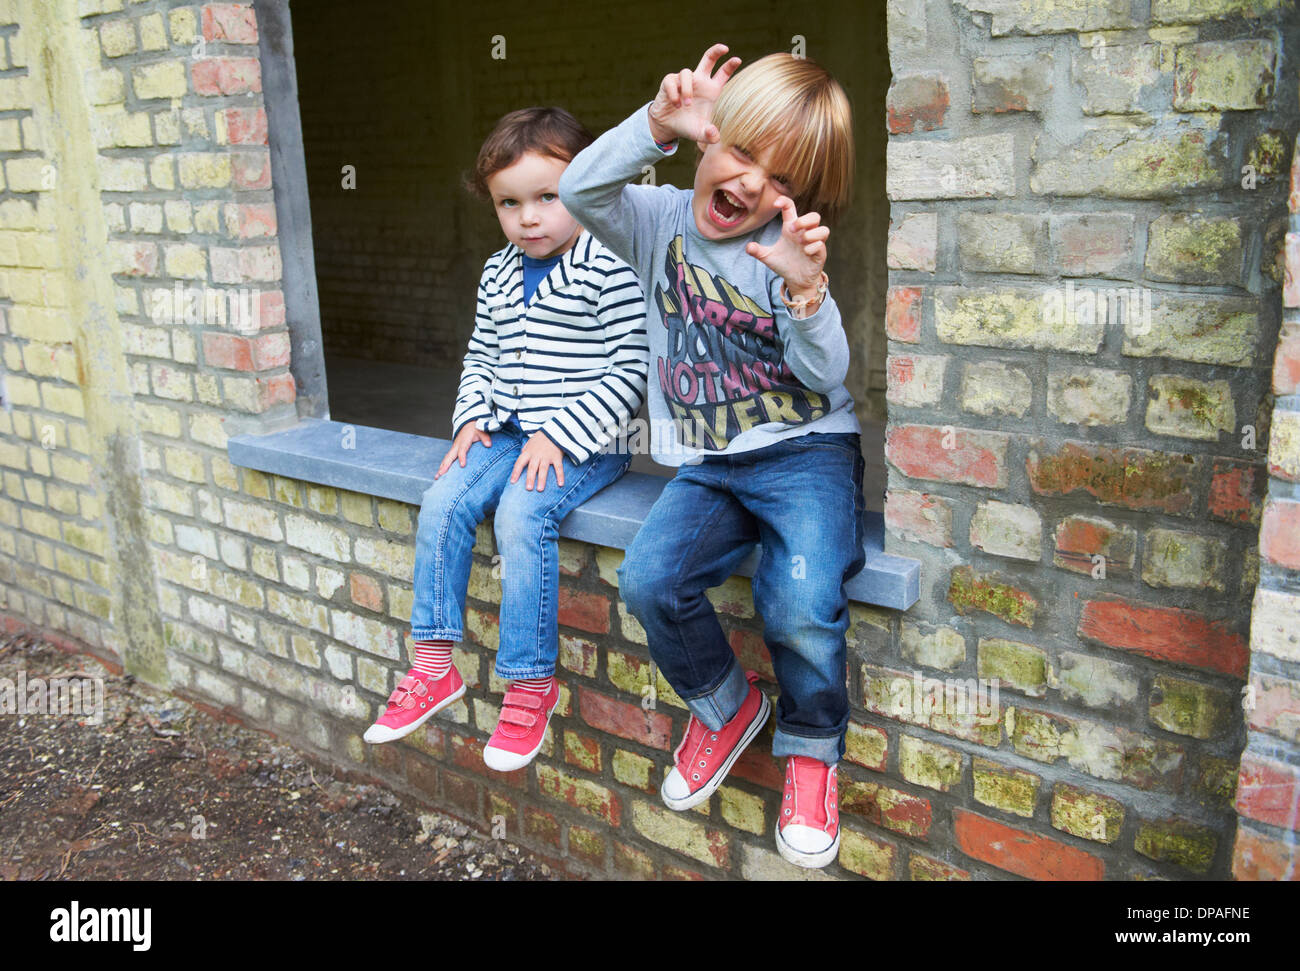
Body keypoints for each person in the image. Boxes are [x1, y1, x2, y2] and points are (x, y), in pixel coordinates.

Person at [559, 45, 864, 868]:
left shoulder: (780, 254)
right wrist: (656, 123)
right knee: (651, 577)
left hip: (806, 454)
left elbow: (825, 373)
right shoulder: (655, 220)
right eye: (741, 152)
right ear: (708, 139)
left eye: (784, 180)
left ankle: (810, 752)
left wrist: (806, 292)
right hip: (710, 464)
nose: (755, 186)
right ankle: (728, 708)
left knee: (799, 596)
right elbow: (579, 188)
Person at [364, 107, 648, 774]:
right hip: (507, 429)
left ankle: (529, 682)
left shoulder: (608, 264)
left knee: (523, 511)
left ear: (584, 188)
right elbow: (483, 355)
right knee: (444, 499)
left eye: (548, 197)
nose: (529, 218)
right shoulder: (498, 271)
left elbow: (629, 366)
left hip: (586, 441)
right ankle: (433, 666)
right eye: (509, 203)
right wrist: (471, 418)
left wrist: (561, 433)